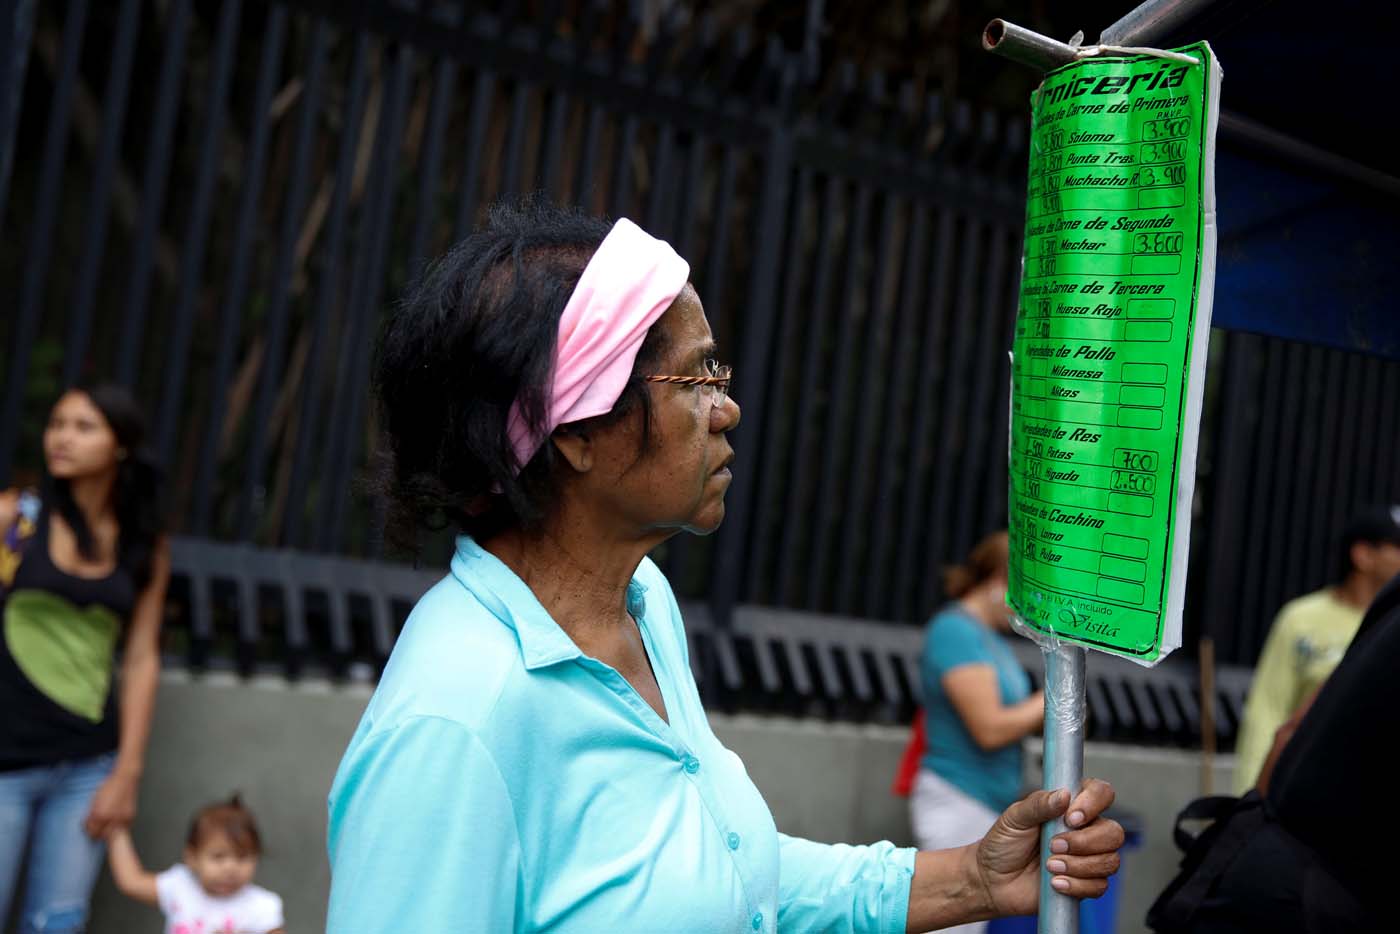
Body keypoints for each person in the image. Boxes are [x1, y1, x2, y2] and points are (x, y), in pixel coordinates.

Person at [325, 198, 1123, 933]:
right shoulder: (455, 722)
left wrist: (971, 881)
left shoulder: (640, 602)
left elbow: (736, 881)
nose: (726, 406)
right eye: (696, 375)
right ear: (572, 431)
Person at [0, 384, 169, 933]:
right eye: (56, 424)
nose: (62, 438)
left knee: (57, 925)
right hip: (5, 759)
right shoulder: (13, 517)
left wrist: (127, 773)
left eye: (83, 426)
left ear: (120, 445)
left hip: (87, 769)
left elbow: (142, 658)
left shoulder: (144, 542)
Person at [1148, 569, 1400, 933]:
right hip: (1318, 897)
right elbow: (1274, 718)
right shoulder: (1303, 616)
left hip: (1256, 861)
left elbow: (1290, 732)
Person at [909, 531, 1045, 934]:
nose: (1030, 605)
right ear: (997, 582)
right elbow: (988, 728)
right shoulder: (956, 632)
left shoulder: (990, 639)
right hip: (958, 799)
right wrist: (1055, 702)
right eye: (1026, 589)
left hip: (984, 803)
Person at [1232, 504, 1400, 793]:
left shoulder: (1392, 628)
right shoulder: (1301, 618)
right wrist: (1249, 797)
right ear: (1363, 555)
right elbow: (1268, 710)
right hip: (1296, 791)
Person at [105, 794, 285, 934]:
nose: (230, 868)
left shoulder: (262, 906)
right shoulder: (180, 886)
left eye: (242, 857)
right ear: (192, 858)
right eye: (218, 857)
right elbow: (131, 882)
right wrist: (116, 832)